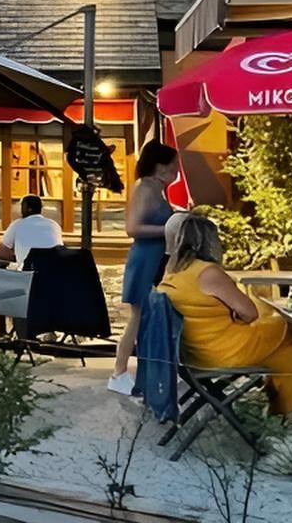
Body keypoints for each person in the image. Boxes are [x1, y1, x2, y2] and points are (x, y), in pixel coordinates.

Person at [158, 215, 292, 468]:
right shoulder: (208, 272)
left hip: (194, 352)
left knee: (285, 347)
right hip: (222, 352)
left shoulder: (174, 271)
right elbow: (249, 312)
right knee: (285, 334)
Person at [109, 140, 180, 395]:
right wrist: (171, 228)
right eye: (173, 165)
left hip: (158, 258)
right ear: (160, 166)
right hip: (144, 258)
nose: (177, 170)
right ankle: (118, 372)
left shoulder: (158, 189)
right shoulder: (145, 187)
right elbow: (133, 228)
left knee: (153, 317)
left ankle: (152, 371)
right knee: (137, 318)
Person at [0, 194, 63, 266]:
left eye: (22, 206)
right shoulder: (54, 225)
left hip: (28, 271)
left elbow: (2, 254)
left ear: (28, 209)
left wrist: (16, 261)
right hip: (55, 269)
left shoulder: (17, 224)